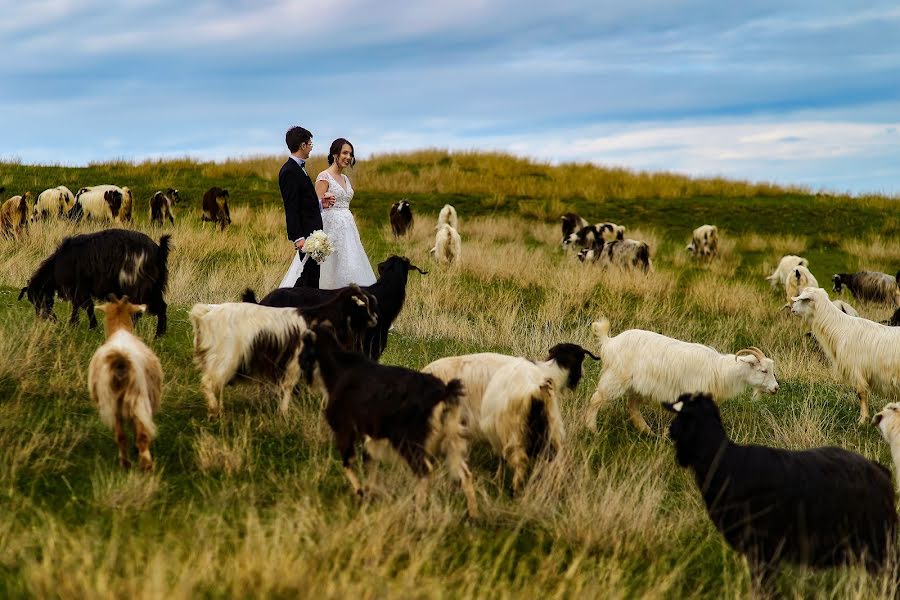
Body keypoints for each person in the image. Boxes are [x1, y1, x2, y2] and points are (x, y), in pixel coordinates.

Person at [314, 138, 377, 289]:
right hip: (330, 229)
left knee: (352, 265)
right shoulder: (324, 177)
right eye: (345, 153)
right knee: (330, 268)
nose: (348, 157)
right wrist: (323, 201)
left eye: (351, 154)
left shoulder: (345, 178)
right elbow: (315, 208)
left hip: (348, 230)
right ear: (335, 154)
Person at [278, 126, 334, 288]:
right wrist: (298, 238)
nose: (311, 148)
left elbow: (304, 203)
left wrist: (320, 204)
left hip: (312, 233)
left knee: (311, 279)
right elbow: (291, 207)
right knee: (307, 281)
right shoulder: (289, 171)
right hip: (306, 237)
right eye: (310, 144)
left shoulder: (299, 168)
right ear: (303, 145)